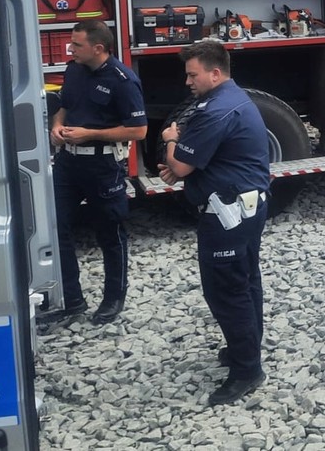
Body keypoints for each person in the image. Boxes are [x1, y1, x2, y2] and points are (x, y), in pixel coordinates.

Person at [159, 41, 271, 406]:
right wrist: (182, 166)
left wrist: (171, 144)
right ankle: (246, 348)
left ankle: (246, 370)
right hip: (247, 208)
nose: (188, 81)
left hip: (228, 215)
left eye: (193, 75)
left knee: (225, 290)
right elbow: (203, 159)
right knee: (245, 280)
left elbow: (180, 165)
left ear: (215, 73)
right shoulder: (232, 98)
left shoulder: (216, 110)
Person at [41, 20, 146, 327]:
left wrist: (89, 134)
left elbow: (138, 130)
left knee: (109, 232)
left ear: (98, 48)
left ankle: (113, 298)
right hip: (68, 163)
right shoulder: (74, 70)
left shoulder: (122, 80)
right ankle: (72, 301)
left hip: (103, 166)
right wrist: (57, 126)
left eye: (77, 44)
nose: (70, 49)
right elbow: (64, 105)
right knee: (56, 227)